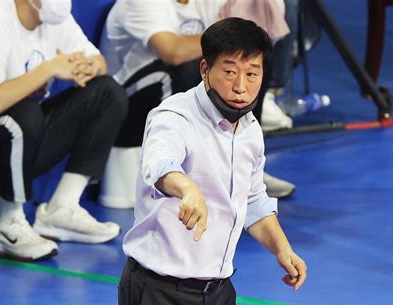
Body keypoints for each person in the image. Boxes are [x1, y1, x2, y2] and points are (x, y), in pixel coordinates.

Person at [118, 17, 307, 305]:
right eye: (230, 71)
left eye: (252, 74)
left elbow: (253, 200)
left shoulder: (249, 129)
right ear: (205, 68)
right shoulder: (174, 117)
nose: (240, 86)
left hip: (218, 297)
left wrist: (283, 249)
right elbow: (159, 165)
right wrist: (188, 189)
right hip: (160, 296)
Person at [0, 0, 128, 261]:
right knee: (25, 112)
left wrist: (90, 67)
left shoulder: (54, 19)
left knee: (107, 92)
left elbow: (97, 59)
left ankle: (62, 207)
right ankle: (7, 222)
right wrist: (49, 69)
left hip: (11, 143)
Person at [100, 0, 294, 208]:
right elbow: (172, 51)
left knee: (251, 62)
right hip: (128, 106)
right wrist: (224, 39)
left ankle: (242, 167)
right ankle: (186, 175)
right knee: (195, 67)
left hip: (167, 85)